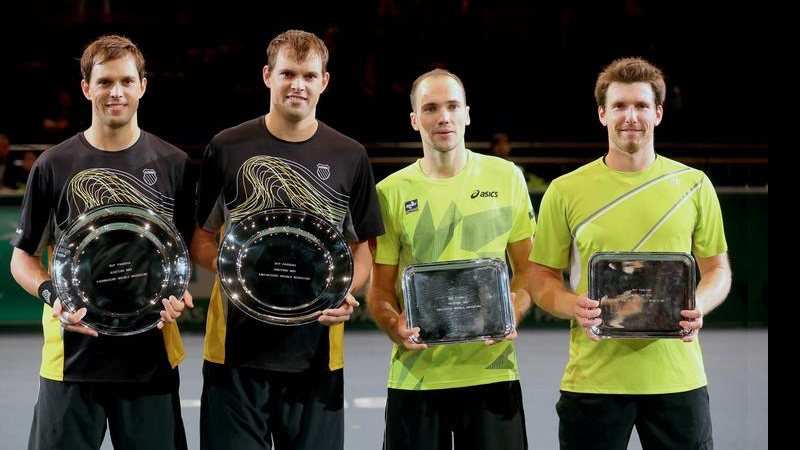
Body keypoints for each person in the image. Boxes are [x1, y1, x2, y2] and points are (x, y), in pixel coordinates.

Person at [190, 29, 384, 450]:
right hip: (234, 353)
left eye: (309, 75)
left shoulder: (349, 155)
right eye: (288, 73)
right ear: (267, 76)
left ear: (324, 82)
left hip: (316, 355)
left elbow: (362, 252)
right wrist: (240, 272)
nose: (298, 84)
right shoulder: (227, 148)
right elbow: (201, 240)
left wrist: (344, 293)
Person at [529, 57, 732, 449]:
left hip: (678, 378)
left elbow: (717, 269)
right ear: (602, 113)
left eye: (641, 105)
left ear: (657, 113)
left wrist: (699, 304)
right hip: (594, 379)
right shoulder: (565, 190)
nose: (630, 116)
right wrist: (573, 306)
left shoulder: (694, 185)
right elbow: (540, 279)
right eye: (620, 106)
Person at [9, 34, 195, 450]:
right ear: (86, 87)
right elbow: (22, 259)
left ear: (143, 86)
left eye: (127, 81)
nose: (116, 92)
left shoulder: (174, 165)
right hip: (71, 361)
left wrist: (179, 293)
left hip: (151, 360)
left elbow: (182, 255)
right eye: (106, 81)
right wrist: (51, 293)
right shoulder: (53, 165)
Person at [367, 68, 536, 450]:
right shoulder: (390, 193)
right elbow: (378, 290)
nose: (443, 117)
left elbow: (529, 271)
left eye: (452, 106)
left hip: (492, 372)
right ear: (414, 120)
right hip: (417, 378)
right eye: (430, 108)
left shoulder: (507, 176)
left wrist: (515, 308)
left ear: (467, 113)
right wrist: (396, 325)